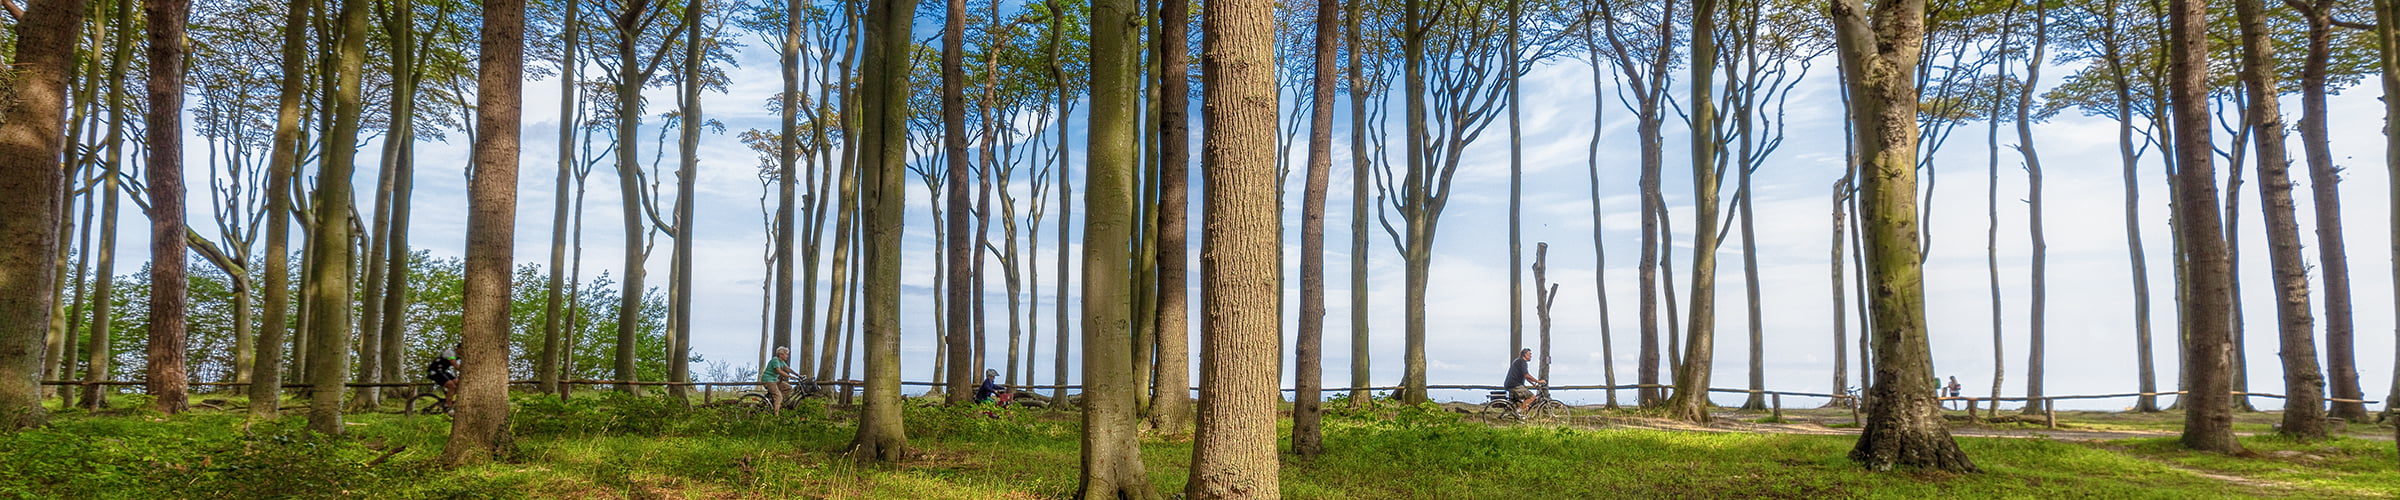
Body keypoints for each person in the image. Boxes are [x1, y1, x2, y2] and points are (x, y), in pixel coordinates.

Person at [762, 347, 803, 413]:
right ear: (781, 354)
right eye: (786, 354)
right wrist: (789, 376)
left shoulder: (782, 362)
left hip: (775, 380)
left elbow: (788, 369)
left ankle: (777, 403)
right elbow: (779, 371)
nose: (787, 356)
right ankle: (776, 416)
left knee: (788, 387)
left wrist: (798, 375)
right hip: (768, 380)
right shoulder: (775, 360)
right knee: (779, 397)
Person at [1504, 348, 1545, 412]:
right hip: (1515, 385)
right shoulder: (1522, 362)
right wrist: (1538, 381)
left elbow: (1525, 376)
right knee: (1532, 397)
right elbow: (1526, 375)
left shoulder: (1519, 361)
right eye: (1529, 354)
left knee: (1521, 402)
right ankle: (1519, 412)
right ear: (1525, 355)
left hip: (1511, 384)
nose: (1531, 356)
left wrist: (1533, 383)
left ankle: (1517, 413)